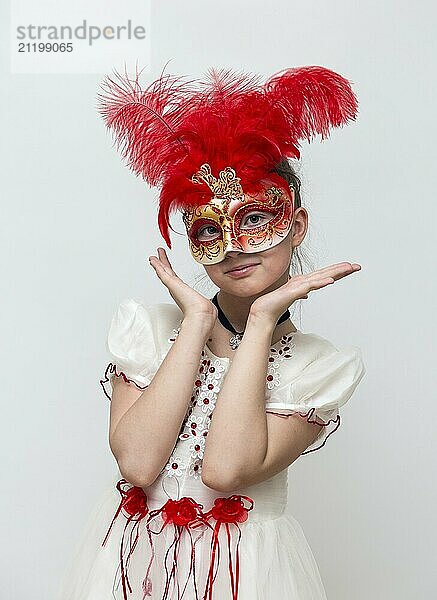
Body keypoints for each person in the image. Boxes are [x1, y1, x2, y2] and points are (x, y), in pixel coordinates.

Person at [59, 64, 366, 600]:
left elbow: (226, 470)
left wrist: (265, 318)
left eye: (254, 221)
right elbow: (136, 462)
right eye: (209, 229)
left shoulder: (318, 370)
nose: (234, 247)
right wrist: (197, 322)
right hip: (130, 568)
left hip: (245, 575)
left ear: (295, 226)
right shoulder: (150, 332)